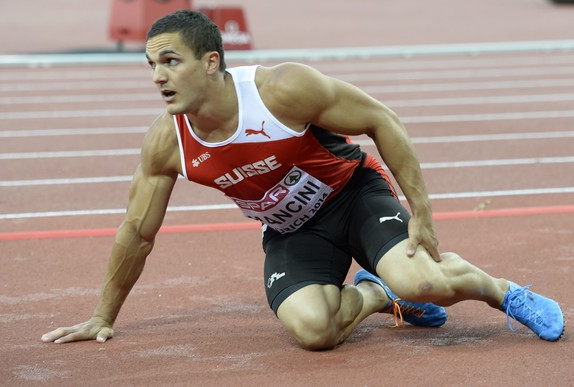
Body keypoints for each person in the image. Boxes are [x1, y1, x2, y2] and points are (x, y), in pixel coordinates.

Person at [41, 10, 564, 350]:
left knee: (424, 281)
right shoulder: (167, 142)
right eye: (152, 65)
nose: (157, 77)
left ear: (211, 62)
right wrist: (100, 315)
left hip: (354, 196)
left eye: (170, 62)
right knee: (315, 332)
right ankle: (379, 296)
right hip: (293, 231)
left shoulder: (280, 91)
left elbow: (383, 120)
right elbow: (137, 232)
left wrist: (421, 210)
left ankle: (504, 293)